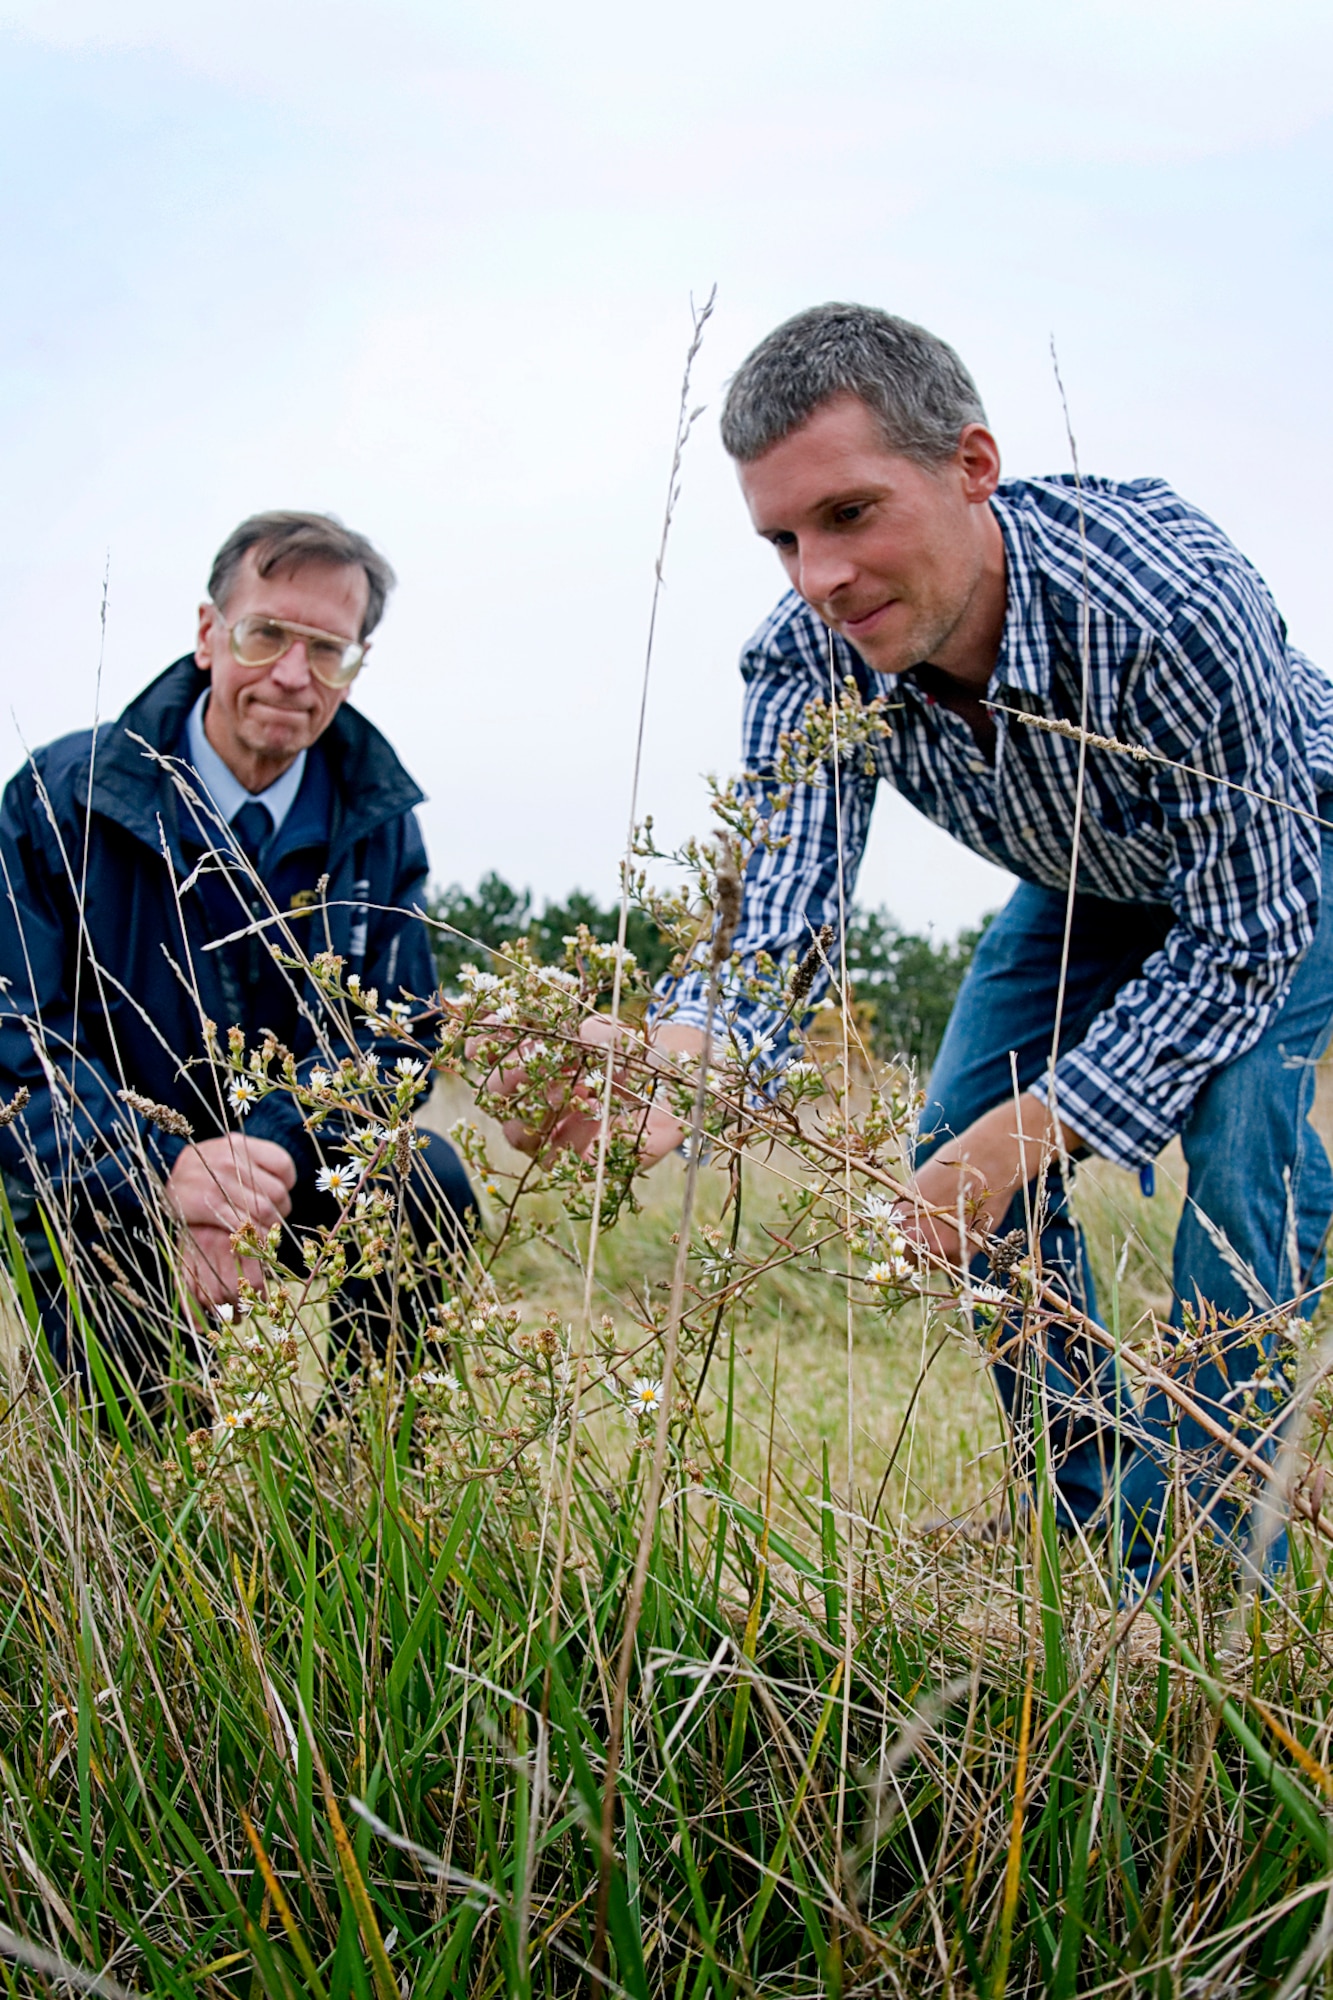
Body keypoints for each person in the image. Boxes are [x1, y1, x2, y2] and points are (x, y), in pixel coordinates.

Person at [531, 305, 1333, 1579]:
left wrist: (1026, 1134)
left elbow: (1244, 934)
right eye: (782, 538)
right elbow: (781, 908)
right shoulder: (809, 657)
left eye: (849, 515)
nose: (818, 577)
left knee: (1241, 1151)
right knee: (952, 1128)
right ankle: (1076, 1507)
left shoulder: (1169, 604)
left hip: (1283, 851)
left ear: (971, 466)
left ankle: (1206, 1550)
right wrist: (673, 1068)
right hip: (1082, 878)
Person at [0, 510, 474, 1379]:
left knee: (424, 1183)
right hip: (110, 1178)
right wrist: (159, 1168)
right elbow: (15, 1030)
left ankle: (367, 1470)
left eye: (327, 650)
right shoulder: (58, 797)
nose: (293, 676)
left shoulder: (379, 819)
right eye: (267, 635)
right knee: (143, 1461)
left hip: (295, 1165)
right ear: (210, 635)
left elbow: (397, 1033)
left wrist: (261, 1166)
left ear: (353, 666)